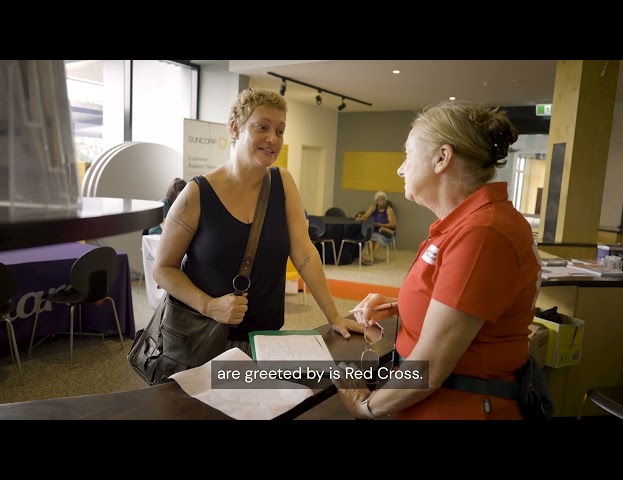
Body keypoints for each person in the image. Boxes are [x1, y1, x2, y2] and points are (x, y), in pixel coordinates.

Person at [331, 100, 541, 420]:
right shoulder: (465, 224)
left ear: (442, 158)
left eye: (408, 155)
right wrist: (401, 303)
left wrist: (367, 407)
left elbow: (430, 367)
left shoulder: (483, 232)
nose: (401, 168)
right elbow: (466, 306)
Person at [153, 88, 361, 357]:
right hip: (205, 338)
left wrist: (334, 316)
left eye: (280, 130)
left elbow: (304, 252)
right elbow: (163, 269)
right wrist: (208, 305)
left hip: (267, 339)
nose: (273, 139)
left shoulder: (283, 183)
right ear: (235, 127)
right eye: (262, 127)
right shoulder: (196, 194)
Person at [355, 191, 398, 265]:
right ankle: (371, 258)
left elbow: (394, 224)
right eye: (380, 200)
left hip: (386, 232)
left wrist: (381, 225)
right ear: (377, 201)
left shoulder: (389, 210)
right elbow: (366, 216)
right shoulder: (372, 207)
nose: (382, 202)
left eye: (384, 200)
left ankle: (371, 257)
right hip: (375, 230)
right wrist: (360, 218)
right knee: (369, 236)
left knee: (378, 237)